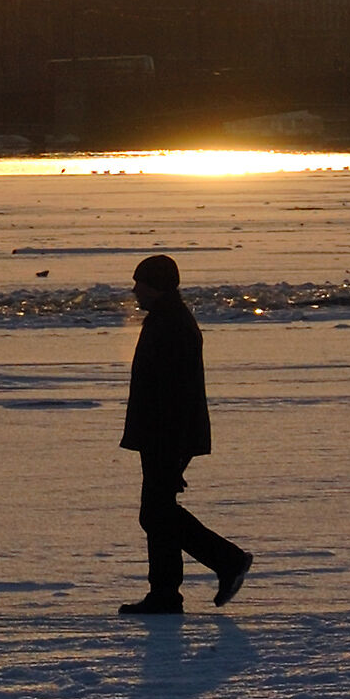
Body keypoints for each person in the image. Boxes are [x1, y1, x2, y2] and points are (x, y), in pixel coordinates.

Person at [119, 255, 252, 614]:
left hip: (166, 435)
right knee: (157, 513)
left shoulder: (173, 325)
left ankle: (226, 561)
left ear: (157, 285)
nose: (134, 290)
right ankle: (166, 593)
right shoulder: (166, 319)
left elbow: (176, 394)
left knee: (157, 513)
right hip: (161, 434)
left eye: (140, 283)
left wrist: (176, 449)